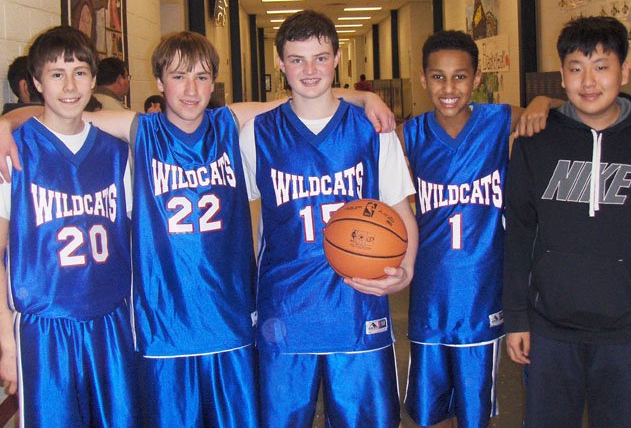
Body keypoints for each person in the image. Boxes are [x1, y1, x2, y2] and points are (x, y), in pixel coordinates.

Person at [0, 30, 394, 428]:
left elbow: (301, 97)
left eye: (202, 77)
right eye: (177, 77)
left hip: (231, 320)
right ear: (158, 83)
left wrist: (363, 96)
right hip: (164, 323)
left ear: (214, 84)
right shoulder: (140, 131)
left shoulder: (230, 124)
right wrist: (8, 120)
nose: (191, 89)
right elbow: (67, 113)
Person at [239, 10, 418, 428]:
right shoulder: (257, 133)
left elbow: (400, 210)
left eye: (320, 57)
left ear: (337, 59)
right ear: (280, 63)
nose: (309, 69)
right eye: (297, 59)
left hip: (358, 304)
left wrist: (406, 269)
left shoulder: (373, 129)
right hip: (284, 311)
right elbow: (245, 222)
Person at [503, 16, 631, 428]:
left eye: (601, 66)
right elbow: (518, 234)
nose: (589, 81)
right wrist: (516, 318)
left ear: (623, 72)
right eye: (576, 68)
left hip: (626, 331)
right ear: (562, 76)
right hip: (550, 328)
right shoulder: (535, 141)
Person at [400, 30, 560, 428]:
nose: (449, 88)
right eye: (438, 77)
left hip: (482, 286)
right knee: (428, 409)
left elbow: (568, 110)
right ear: (423, 79)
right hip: (430, 289)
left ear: (476, 79)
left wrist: (543, 100)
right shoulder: (410, 134)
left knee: (474, 409)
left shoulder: (499, 119)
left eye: (460, 76)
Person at [0, 26, 137, 427]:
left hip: (111, 319)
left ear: (94, 80)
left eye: (80, 72)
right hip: (43, 326)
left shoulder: (118, 155)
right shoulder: (14, 152)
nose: (70, 85)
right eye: (57, 74)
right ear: (36, 83)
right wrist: (6, 341)